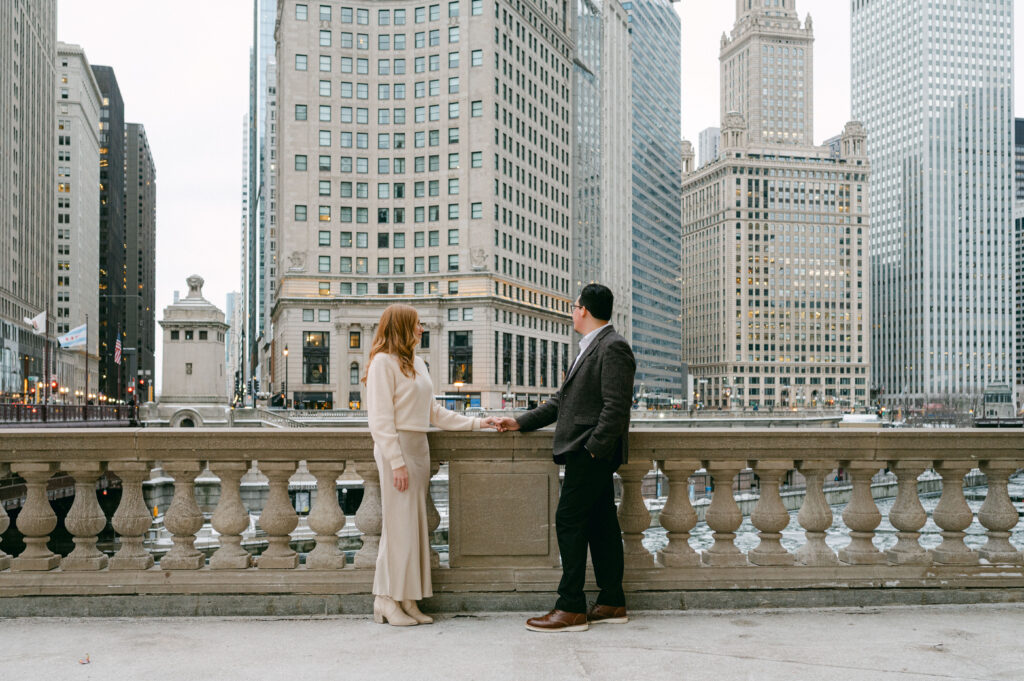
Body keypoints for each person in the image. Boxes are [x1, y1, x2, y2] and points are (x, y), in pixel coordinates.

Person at [495, 284, 636, 632]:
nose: (572, 312)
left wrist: (592, 449)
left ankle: (571, 606)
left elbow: (616, 409)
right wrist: (519, 422)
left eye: (574, 307)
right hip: (588, 452)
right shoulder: (592, 347)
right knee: (602, 526)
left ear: (584, 310)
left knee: (568, 522)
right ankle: (612, 601)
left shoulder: (613, 346)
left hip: (590, 454)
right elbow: (561, 402)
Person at [364, 304, 498, 626]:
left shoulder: (419, 364)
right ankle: (385, 599)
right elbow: (380, 421)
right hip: (397, 451)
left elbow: (434, 413)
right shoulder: (382, 363)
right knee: (397, 529)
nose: (422, 329)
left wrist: (479, 423)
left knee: (412, 529)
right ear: (400, 327)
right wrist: (396, 462)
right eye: (416, 324)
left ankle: (407, 598)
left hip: (419, 449)